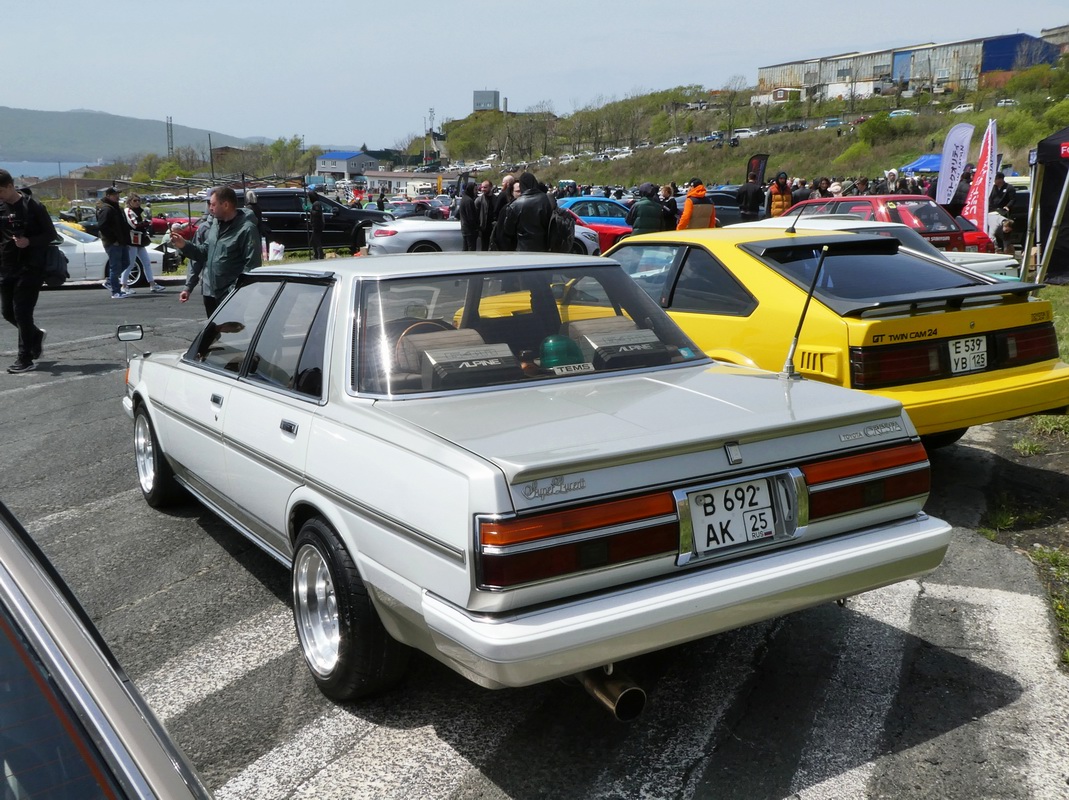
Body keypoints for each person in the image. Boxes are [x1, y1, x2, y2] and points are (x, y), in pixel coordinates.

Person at [171, 186, 261, 316]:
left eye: (213, 204)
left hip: (232, 296)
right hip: (211, 293)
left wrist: (232, 291)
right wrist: (183, 244)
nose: (210, 208)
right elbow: (203, 252)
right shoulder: (215, 225)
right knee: (215, 333)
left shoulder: (247, 229)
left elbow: (251, 267)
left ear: (225, 205)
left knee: (231, 332)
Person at [0, 170, 56, 373]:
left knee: (22, 312)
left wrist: (29, 241)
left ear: (9, 186)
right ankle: (35, 335)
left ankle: (25, 359)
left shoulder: (33, 206)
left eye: (0, 191)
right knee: (7, 312)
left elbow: (51, 234)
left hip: (30, 267)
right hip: (6, 267)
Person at [502, 172, 554, 252]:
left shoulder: (515, 205)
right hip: (544, 246)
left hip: (523, 247)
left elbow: (508, 230)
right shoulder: (546, 199)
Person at [123, 193, 164, 293]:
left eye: (138, 200)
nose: (137, 202)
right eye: (134, 201)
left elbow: (142, 223)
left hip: (140, 240)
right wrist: (146, 222)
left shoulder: (140, 211)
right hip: (132, 240)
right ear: (129, 202)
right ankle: (124, 286)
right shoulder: (128, 211)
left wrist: (146, 222)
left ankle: (152, 284)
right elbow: (134, 225)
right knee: (131, 264)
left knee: (147, 262)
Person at [96, 187, 131, 298]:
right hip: (113, 243)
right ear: (108, 196)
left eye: (117, 194)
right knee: (115, 266)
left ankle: (110, 281)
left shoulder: (116, 208)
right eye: (114, 194)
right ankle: (115, 292)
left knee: (126, 262)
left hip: (122, 241)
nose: (117, 196)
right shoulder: (106, 209)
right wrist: (113, 240)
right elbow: (102, 226)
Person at [987, 172, 1017, 238]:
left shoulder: (1009, 188)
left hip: (1004, 212)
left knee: (1004, 231)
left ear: (1001, 179)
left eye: (996, 179)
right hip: (993, 212)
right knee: (993, 230)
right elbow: (990, 199)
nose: (994, 181)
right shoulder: (993, 188)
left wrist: (1007, 206)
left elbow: (1013, 199)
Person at [457, 182, 478, 251]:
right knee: (471, 249)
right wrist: (476, 228)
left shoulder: (464, 198)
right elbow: (471, 217)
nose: (476, 192)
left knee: (466, 249)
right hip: (470, 230)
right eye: (475, 190)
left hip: (465, 229)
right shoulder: (469, 201)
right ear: (470, 189)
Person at [475, 179, 495, 250]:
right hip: (483, 229)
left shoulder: (496, 199)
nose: (483, 189)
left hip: (493, 229)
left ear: (490, 187)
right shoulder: (479, 200)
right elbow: (475, 215)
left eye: (485, 187)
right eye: (482, 187)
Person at [307, 186, 325, 260]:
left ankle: (320, 255)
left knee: (316, 240)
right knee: (313, 241)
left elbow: (317, 213)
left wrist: (310, 210)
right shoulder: (315, 203)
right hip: (315, 225)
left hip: (318, 225)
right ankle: (316, 254)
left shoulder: (316, 204)